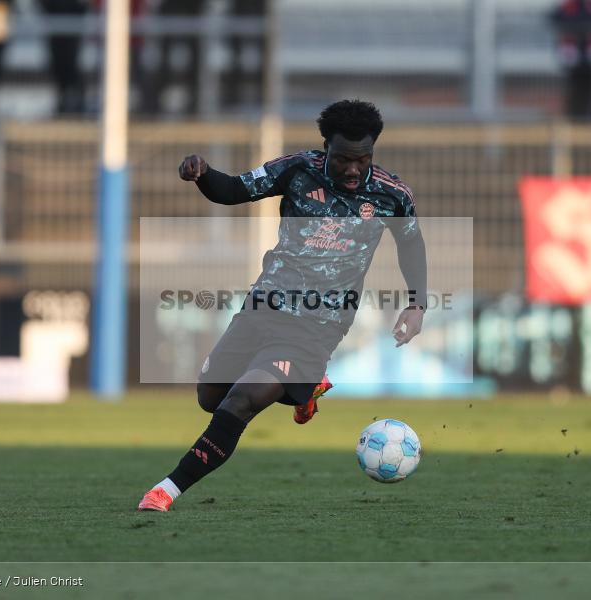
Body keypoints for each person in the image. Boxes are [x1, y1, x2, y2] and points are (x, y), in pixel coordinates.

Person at [138, 100, 428, 512]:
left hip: (318, 324)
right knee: (211, 396)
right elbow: (234, 190)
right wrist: (203, 175)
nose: (352, 169)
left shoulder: (391, 194)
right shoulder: (297, 170)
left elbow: (412, 246)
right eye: (343, 158)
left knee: (242, 401)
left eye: (362, 159)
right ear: (326, 146)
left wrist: (417, 304)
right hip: (265, 304)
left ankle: (166, 490)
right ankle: (305, 388)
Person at [549, 0, 591, 120]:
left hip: (590, 56)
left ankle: (589, 116)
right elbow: (554, 18)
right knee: (573, 88)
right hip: (572, 56)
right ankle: (573, 115)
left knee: (590, 87)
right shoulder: (568, 6)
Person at [38, 0, 87, 115]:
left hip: (72, 28)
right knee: (58, 66)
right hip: (54, 28)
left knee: (71, 65)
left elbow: (82, 7)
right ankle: (62, 102)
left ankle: (78, 103)